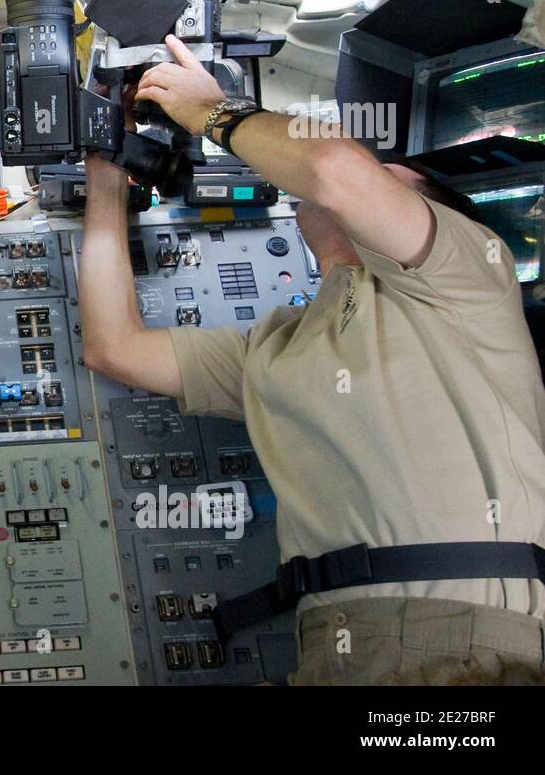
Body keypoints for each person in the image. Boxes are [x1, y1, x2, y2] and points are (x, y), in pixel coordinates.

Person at [80, 35, 545, 685]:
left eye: (387, 169)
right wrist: (105, 173)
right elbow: (114, 346)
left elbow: (334, 170)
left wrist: (216, 111)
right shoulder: (280, 346)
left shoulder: (466, 273)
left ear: (426, 208)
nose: (367, 171)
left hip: (460, 641)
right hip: (335, 643)